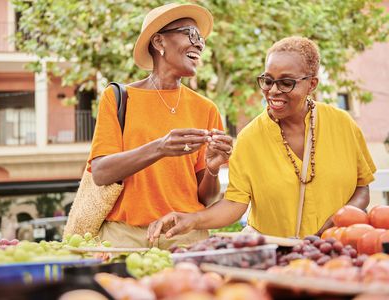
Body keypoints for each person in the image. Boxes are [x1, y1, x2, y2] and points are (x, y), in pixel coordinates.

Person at [147, 36, 376, 241]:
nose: (273, 91)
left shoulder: (342, 123)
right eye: (268, 80)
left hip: (342, 250)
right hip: (278, 259)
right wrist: (192, 220)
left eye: (286, 83)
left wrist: (339, 222)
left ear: (312, 84)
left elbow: (362, 187)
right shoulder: (249, 138)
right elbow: (235, 203)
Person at [89, 3, 233, 249]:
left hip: (185, 237)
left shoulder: (206, 108)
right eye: (191, 34)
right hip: (125, 238)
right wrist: (160, 148)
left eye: (201, 39)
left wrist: (212, 169)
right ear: (159, 42)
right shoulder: (117, 97)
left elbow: (205, 199)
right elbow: (101, 173)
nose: (199, 43)